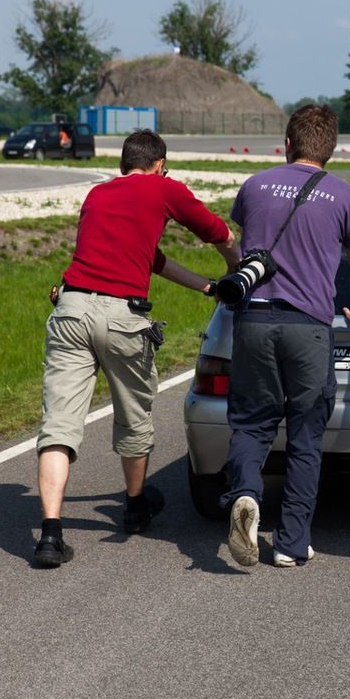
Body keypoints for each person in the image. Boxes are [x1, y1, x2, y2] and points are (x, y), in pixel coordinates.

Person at [32, 129, 241, 567]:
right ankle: (134, 507)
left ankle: (50, 535)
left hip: (70, 307)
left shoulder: (98, 195)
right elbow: (218, 231)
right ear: (160, 163)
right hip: (121, 318)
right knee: (134, 414)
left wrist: (206, 288)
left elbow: (150, 259)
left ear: (123, 164)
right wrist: (234, 270)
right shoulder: (165, 188)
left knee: (59, 425)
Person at [222, 104, 350, 570]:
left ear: (286, 143)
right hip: (308, 326)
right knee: (306, 434)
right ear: (331, 149)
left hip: (253, 319)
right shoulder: (345, 197)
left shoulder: (254, 186)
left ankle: (247, 494)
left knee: (250, 423)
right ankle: (291, 542)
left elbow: (238, 251)